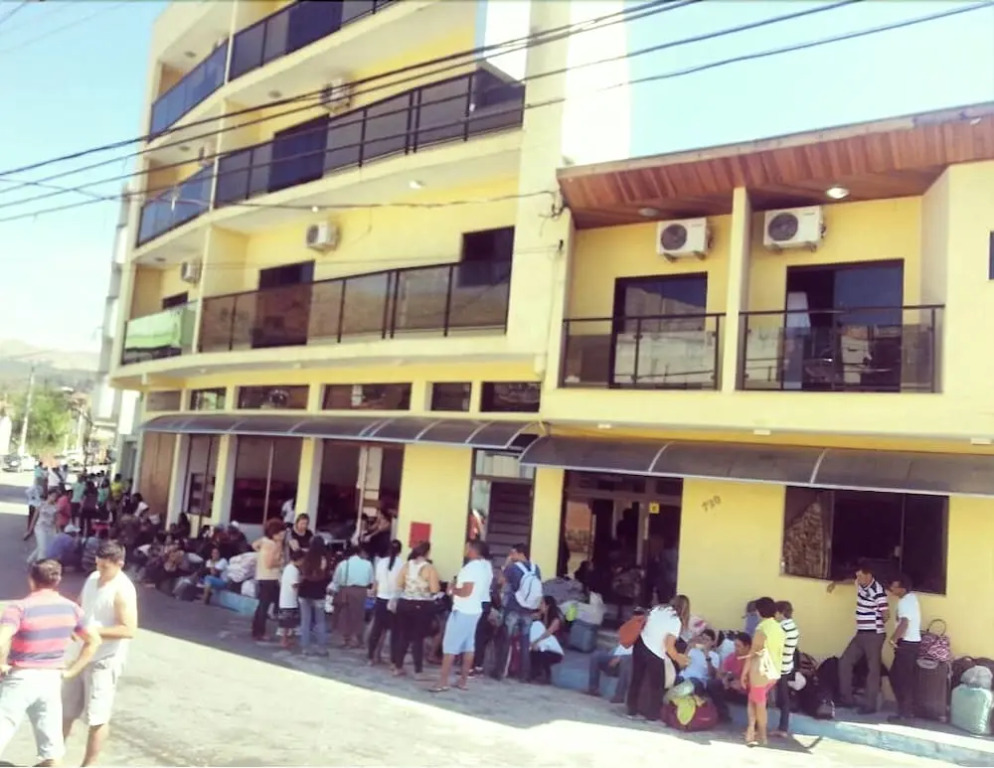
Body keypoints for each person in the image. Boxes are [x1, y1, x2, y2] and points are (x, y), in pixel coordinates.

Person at [0, 559, 101, 768]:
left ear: (31, 579)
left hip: (21, 676)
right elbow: (94, 640)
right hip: (51, 679)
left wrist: (1, 664)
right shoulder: (71, 609)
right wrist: (72, 671)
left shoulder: (19, 608)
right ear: (58, 580)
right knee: (52, 748)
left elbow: (2, 639)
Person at [63, 540, 139, 768]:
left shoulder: (123, 590)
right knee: (65, 710)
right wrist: (72, 623)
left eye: (105, 567)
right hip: (80, 655)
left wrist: (93, 631)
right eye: (97, 564)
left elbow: (128, 629)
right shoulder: (92, 578)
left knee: (97, 717)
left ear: (119, 564)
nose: (100, 570)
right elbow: (80, 606)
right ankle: (52, 758)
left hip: (104, 660)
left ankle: (90, 764)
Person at [431, 540, 491, 693]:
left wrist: (452, 590)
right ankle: (463, 681)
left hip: (463, 610)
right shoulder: (485, 567)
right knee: (469, 646)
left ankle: (442, 681)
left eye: (467, 547)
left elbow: (466, 592)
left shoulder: (470, 568)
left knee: (450, 647)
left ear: (472, 549)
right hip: (475, 609)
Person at [829, 560, 889, 713]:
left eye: (861, 576)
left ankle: (870, 705)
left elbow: (886, 614)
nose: (858, 579)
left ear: (869, 575)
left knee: (873, 670)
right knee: (845, 662)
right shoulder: (861, 584)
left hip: (873, 635)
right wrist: (836, 583)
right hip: (861, 633)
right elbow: (851, 582)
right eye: (858, 576)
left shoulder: (877, 590)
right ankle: (846, 699)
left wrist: (875, 623)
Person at [627, 595, 691, 721]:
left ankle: (631, 710)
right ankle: (652, 716)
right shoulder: (675, 621)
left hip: (640, 644)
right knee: (657, 686)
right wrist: (679, 659)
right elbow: (669, 646)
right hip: (655, 652)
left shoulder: (657, 609)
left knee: (636, 679)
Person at [392, 541, 440, 678]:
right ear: (427, 553)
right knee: (418, 638)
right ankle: (418, 671)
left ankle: (398, 667)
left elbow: (399, 584)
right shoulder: (429, 568)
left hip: (404, 603)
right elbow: (434, 589)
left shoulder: (407, 565)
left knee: (403, 636)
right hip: (421, 605)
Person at [497, 543, 542, 683]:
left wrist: (506, 565)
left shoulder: (513, 568)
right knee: (525, 642)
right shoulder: (536, 568)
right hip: (529, 610)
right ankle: (524, 674)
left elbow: (500, 582)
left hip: (513, 607)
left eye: (513, 553)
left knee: (506, 639)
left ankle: (500, 671)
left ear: (519, 553)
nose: (511, 555)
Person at [743, 596, 785, 747]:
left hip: (760, 671)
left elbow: (752, 653)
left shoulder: (761, 628)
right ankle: (751, 731)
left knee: (759, 705)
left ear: (759, 611)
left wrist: (744, 673)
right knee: (753, 700)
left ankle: (761, 735)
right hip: (774, 672)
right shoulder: (778, 628)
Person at [886, 574, 921, 724]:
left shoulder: (904, 603)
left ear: (903, 588)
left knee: (899, 679)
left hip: (906, 644)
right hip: (913, 644)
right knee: (903, 678)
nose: (891, 589)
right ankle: (907, 711)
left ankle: (904, 714)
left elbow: (904, 623)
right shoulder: (912, 598)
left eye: (894, 586)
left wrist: (893, 639)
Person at [368, 539, 403, 666]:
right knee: (395, 634)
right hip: (395, 601)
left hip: (381, 599)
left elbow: (376, 582)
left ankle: (371, 657)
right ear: (400, 551)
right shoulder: (402, 564)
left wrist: (373, 592)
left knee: (376, 630)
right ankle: (394, 662)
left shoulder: (381, 563)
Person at [331, 545, 374, 649]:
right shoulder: (368, 564)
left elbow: (336, 580)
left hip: (346, 591)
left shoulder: (343, 564)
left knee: (346, 616)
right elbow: (370, 580)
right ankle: (359, 640)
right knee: (359, 616)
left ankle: (347, 640)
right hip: (361, 591)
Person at [251, 518, 286, 641]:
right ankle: (260, 632)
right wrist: (281, 562)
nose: (283, 535)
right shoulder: (271, 545)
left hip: (263, 576)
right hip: (269, 577)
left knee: (262, 605)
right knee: (264, 606)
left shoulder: (265, 541)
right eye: (281, 533)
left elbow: (254, 545)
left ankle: (256, 630)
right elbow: (269, 563)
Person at [708, 632, 752, 723]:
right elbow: (720, 674)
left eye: (738, 646)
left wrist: (743, 684)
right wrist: (725, 680)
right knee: (713, 684)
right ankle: (723, 715)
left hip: (749, 694)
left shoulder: (755, 660)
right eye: (735, 645)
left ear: (747, 647)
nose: (735, 648)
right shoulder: (732, 657)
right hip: (734, 691)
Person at [298, 539, 331, 656]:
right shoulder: (324, 559)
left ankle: (305, 648)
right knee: (320, 621)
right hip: (318, 592)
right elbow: (325, 576)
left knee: (305, 621)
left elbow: (302, 574)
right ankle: (321, 648)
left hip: (304, 592)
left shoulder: (306, 558)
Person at [773, 600, 800, 738]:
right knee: (784, 698)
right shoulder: (793, 626)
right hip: (787, 665)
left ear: (781, 613)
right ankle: (782, 727)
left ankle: (781, 728)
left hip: (778, 667)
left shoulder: (781, 628)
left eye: (776, 613)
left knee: (781, 699)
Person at [528, 596, 565, 685]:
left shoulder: (556, 619)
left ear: (548, 606)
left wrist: (536, 641)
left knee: (543, 654)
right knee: (533, 652)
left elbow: (548, 633)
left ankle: (546, 676)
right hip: (542, 645)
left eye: (542, 603)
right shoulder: (540, 616)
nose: (540, 605)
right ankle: (534, 673)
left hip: (552, 648)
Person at [586, 638, 635, 704]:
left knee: (626, 661)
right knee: (596, 655)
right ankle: (593, 689)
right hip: (615, 659)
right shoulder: (628, 636)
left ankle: (619, 696)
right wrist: (613, 656)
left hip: (628, 664)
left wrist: (619, 658)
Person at [679, 628, 720, 695]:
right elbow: (682, 667)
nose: (704, 641)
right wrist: (688, 649)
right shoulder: (693, 650)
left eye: (707, 640)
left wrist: (707, 656)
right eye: (702, 638)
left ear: (712, 643)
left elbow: (712, 675)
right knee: (675, 678)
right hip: (683, 677)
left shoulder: (715, 656)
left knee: (691, 683)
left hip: (698, 681)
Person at [278, 549, 304, 649]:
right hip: (289, 600)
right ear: (300, 559)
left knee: (289, 622)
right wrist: (302, 582)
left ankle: (287, 639)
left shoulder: (288, 568)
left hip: (287, 598)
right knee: (287, 623)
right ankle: (284, 640)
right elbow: (294, 584)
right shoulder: (293, 570)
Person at [27, 489, 59, 566]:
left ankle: (30, 560)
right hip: (40, 528)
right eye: (52, 496)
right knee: (43, 548)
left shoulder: (55, 507)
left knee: (44, 546)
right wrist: (30, 530)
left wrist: (57, 532)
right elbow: (34, 517)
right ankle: (39, 565)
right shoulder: (41, 504)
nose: (53, 498)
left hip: (50, 529)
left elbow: (55, 521)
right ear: (49, 495)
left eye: (55, 497)